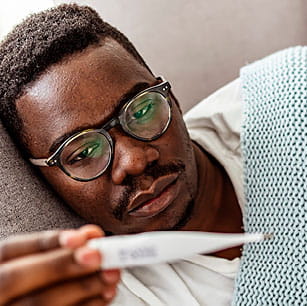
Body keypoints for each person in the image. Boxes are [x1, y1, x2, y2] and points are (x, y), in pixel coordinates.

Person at [0, 4, 244, 305]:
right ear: (45, 182)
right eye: (84, 152)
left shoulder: (284, 102)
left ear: (170, 96)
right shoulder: (108, 295)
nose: (134, 161)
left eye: (141, 110)